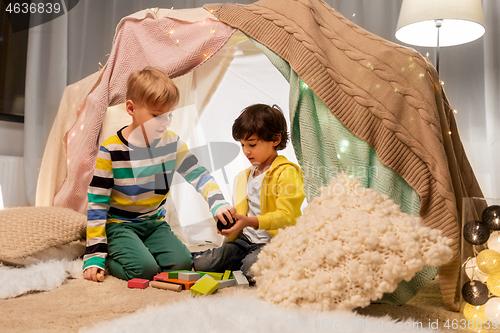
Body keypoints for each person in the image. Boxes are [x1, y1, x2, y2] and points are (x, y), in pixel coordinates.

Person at [83, 66, 235, 282]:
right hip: (120, 225)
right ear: (131, 108)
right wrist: (94, 255)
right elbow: (97, 203)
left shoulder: (172, 144)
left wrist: (218, 204)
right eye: (156, 116)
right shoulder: (111, 150)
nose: (165, 123)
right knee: (144, 270)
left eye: (169, 115)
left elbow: (199, 175)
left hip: (154, 223)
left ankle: (142, 249)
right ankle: (109, 257)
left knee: (183, 264)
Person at [192, 103, 305, 282]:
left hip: (273, 243)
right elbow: (245, 212)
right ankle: (233, 259)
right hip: (244, 240)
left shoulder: (287, 172)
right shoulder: (244, 176)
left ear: (275, 139)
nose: (246, 151)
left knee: (249, 269)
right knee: (202, 264)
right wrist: (231, 221)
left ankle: (274, 262)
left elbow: (286, 216)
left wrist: (251, 221)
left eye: (252, 144)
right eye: (243, 144)